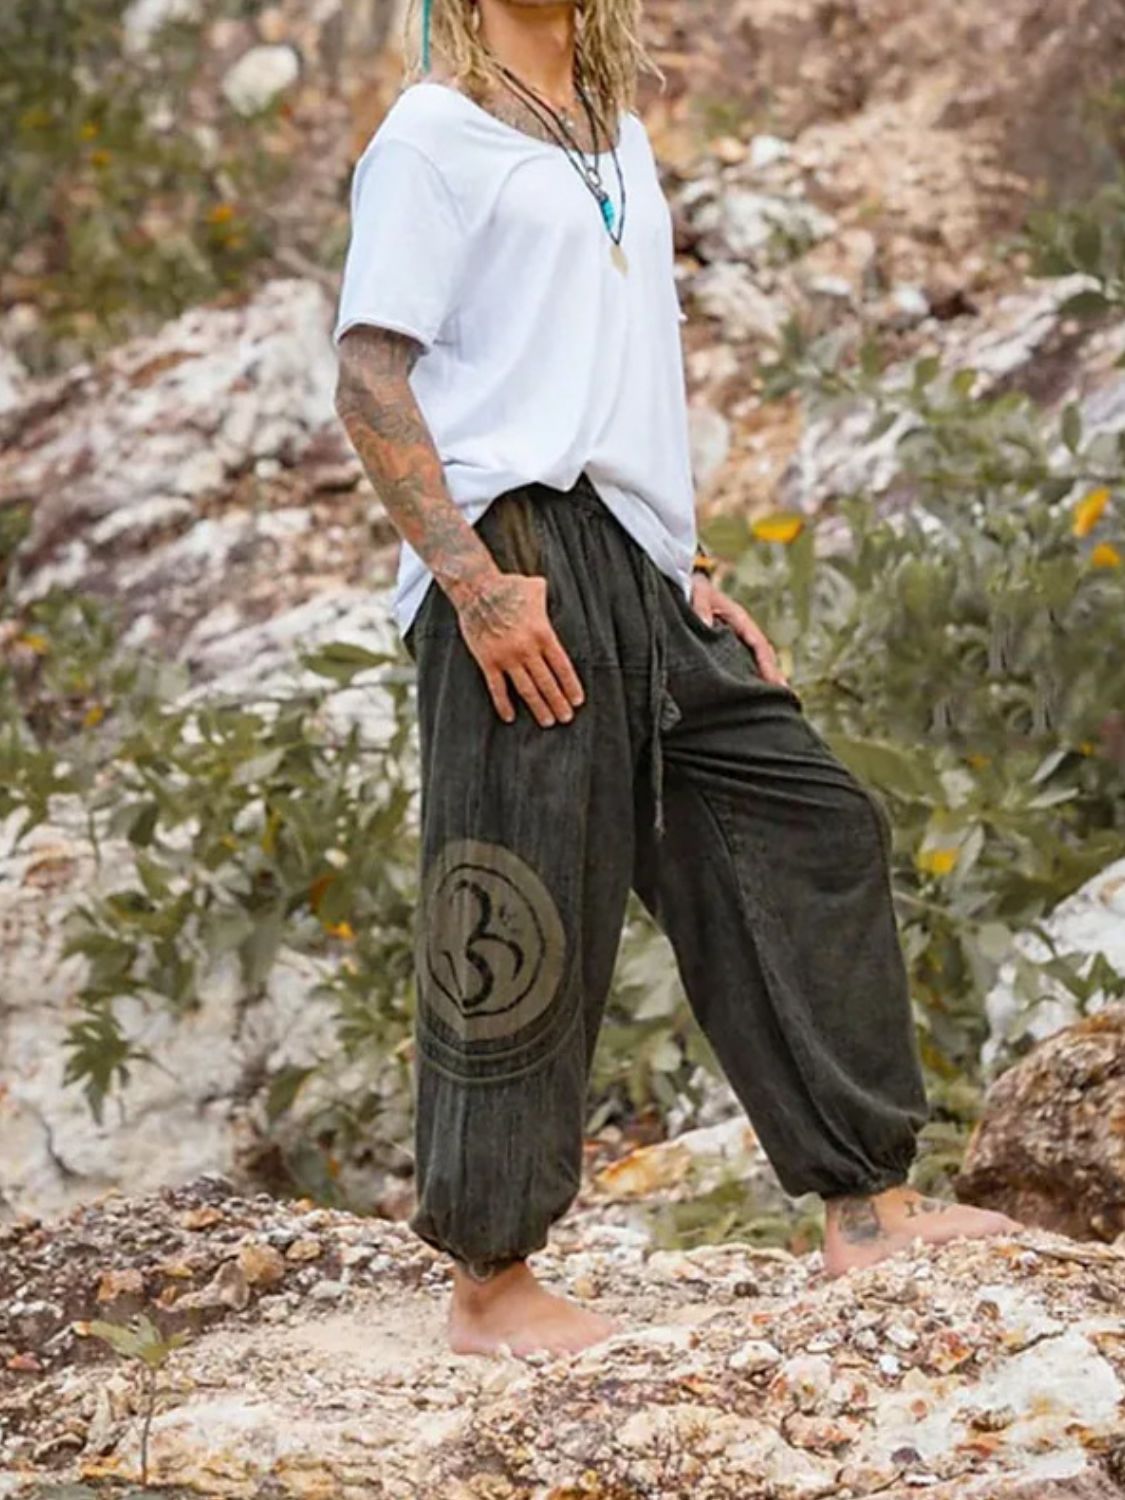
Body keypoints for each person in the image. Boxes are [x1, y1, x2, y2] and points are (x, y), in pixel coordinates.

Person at [332, 0, 1020, 1358]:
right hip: (513, 547)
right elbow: (367, 375)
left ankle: (866, 1205)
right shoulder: (430, 138)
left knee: (805, 822)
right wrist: (471, 582)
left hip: (639, 560)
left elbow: (622, 371)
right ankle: (490, 1282)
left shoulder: (613, 136)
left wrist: (688, 562)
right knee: (523, 892)